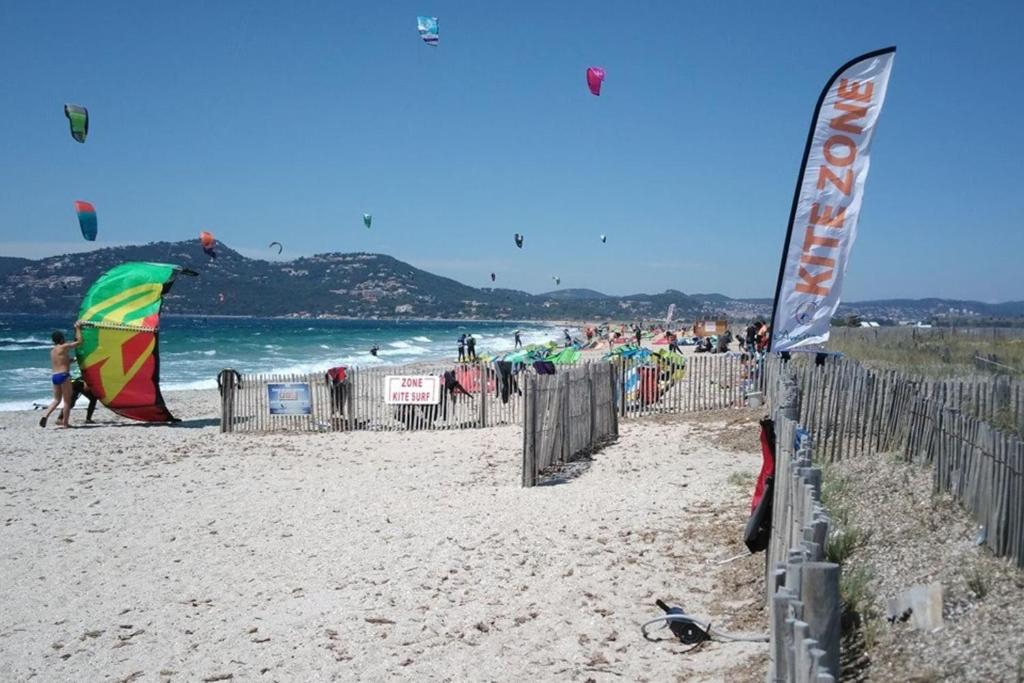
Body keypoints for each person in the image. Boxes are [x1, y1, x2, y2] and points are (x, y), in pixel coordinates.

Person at [40, 324, 82, 428]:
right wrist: (77, 328)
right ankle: (65, 423)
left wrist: (75, 359)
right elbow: (79, 342)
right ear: (61, 339)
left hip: (55, 376)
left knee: (56, 400)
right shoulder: (64, 347)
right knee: (67, 401)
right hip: (64, 375)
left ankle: (45, 415)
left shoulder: (53, 351)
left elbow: (64, 361)